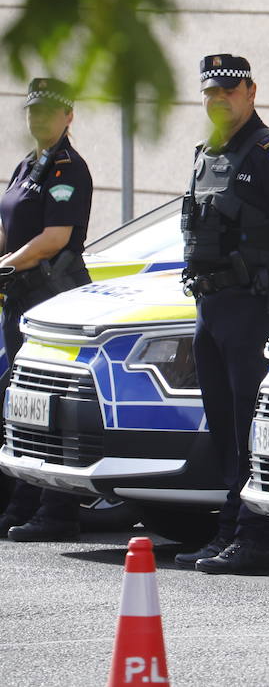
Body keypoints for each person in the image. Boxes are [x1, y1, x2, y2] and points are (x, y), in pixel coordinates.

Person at [174, 54, 269, 575]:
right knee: (225, 427)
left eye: (228, 91)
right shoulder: (209, 153)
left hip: (253, 305)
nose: (219, 99)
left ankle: (258, 537)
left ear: (251, 92)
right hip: (211, 307)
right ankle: (232, 526)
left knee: (251, 422)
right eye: (210, 91)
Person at [0, 78, 93, 541]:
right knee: (23, 407)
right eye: (33, 111)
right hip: (21, 299)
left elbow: (53, 240)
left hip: (50, 299)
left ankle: (57, 511)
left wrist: (5, 266)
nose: (39, 119)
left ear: (68, 115)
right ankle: (22, 502)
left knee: (51, 405)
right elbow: (10, 228)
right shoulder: (26, 165)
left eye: (49, 111)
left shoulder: (67, 169)